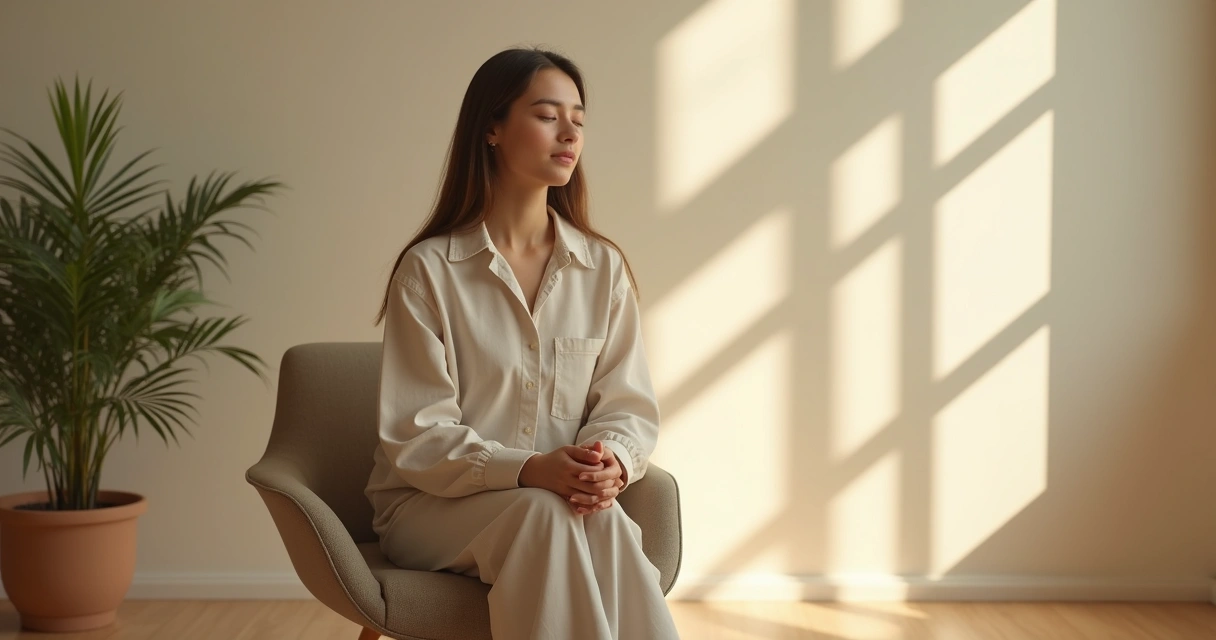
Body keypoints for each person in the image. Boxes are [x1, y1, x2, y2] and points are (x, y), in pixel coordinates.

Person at [364, 47, 681, 640]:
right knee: (545, 513)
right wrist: (530, 469)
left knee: (598, 517)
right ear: (491, 127)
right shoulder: (429, 270)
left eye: (579, 120)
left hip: (559, 506)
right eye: (546, 115)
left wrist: (608, 461)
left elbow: (627, 406)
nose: (570, 133)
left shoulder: (601, 268)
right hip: (429, 508)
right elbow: (417, 436)